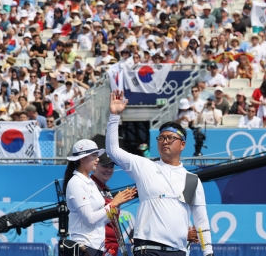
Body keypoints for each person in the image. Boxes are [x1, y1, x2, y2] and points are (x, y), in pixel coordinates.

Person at [106, 90, 214, 256]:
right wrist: (114, 116)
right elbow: (112, 150)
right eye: (161, 138)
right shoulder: (145, 166)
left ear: (182, 144)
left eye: (171, 138)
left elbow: (201, 219)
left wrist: (208, 252)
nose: (165, 141)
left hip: (178, 251)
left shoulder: (191, 180)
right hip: (147, 250)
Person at [63, 139, 136, 256]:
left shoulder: (88, 182)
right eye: (94, 156)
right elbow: (90, 219)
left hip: (95, 247)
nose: (97, 159)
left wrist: (118, 204)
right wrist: (113, 203)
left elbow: (102, 220)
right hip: (84, 247)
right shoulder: (76, 182)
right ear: (82, 159)